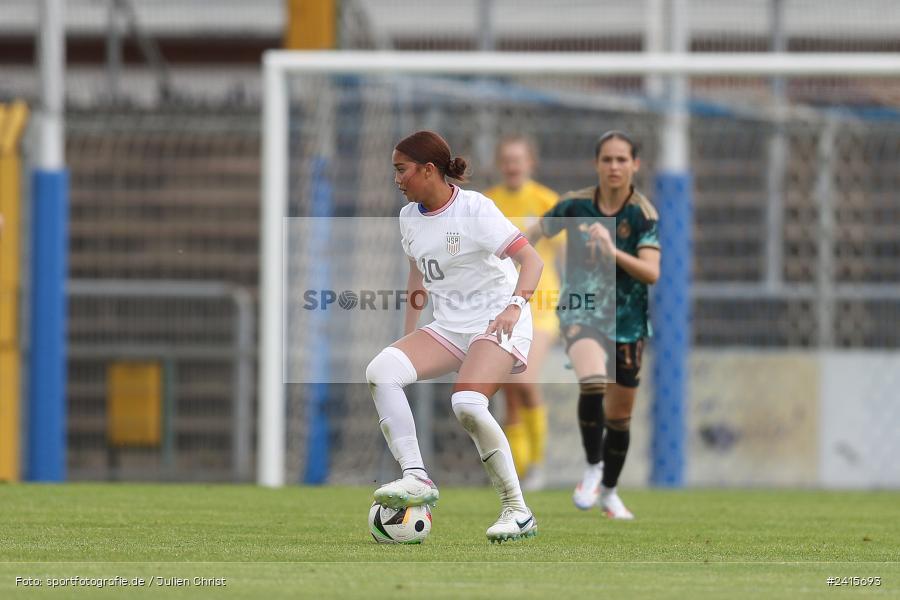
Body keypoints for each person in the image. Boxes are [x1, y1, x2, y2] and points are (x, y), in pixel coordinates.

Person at [366, 130, 544, 542]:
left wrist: (514, 307)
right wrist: (407, 338)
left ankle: (517, 510)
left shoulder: (475, 209)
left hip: (497, 321)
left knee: (466, 403)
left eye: (401, 170)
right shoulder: (409, 216)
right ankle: (416, 478)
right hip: (449, 326)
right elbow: (417, 278)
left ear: (429, 170)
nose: (397, 179)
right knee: (382, 369)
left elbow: (530, 261)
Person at [527, 131, 660, 520]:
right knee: (592, 381)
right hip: (581, 310)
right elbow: (529, 237)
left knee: (619, 416)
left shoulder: (643, 214)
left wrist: (613, 251)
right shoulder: (573, 205)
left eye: (622, 160)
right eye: (607, 159)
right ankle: (592, 468)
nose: (614, 166)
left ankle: (611, 492)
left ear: (635, 165)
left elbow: (651, 272)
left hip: (627, 319)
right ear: (596, 164)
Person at [484, 135, 562, 491]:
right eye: (507, 159)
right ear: (501, 164)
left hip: (541, 307)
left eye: (519, 159)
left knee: (525, 381)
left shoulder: (547, 201)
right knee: (511, 396)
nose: (513, 165)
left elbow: (568, 248)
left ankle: (537, 464)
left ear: (531, 163)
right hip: (500, 307)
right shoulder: (487, 203)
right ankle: (518, 473)